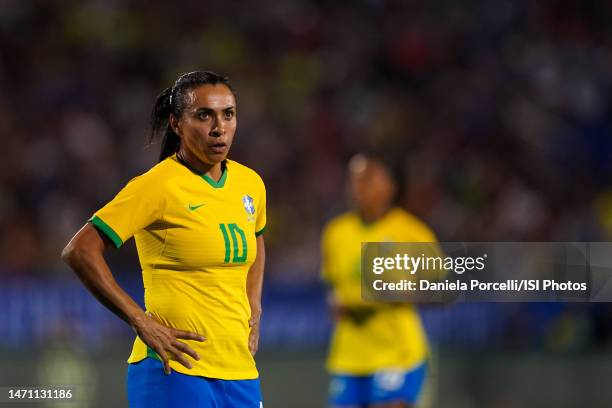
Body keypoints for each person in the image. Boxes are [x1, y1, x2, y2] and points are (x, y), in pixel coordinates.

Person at [62, 71, 267, 408]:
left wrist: (254, 306)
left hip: (239, 370)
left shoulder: (250, 184)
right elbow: (80, 250)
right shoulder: (158, 185)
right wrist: (141, 321)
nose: (219, 127)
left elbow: (256, 239)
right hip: (174, 369)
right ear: (176, 124)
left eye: (227, 114)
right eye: (204, 115)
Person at [321, 152, 437, 408]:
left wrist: (396, 292)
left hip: (396, 352)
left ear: (391, 185)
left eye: (368, 178)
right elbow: (331, 283)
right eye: (353, 179)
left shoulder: (411, 233)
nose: (357, 186)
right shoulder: (336, 233)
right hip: (349, 355)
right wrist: (335, 301)